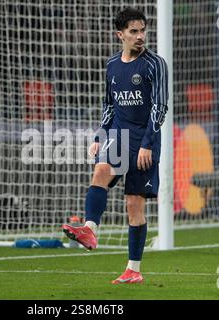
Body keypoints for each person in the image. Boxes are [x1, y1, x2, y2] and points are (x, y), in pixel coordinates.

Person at [62, 7, 169, 284]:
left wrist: (148, 144)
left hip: (145, 142)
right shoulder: (112, 65)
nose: (140, 36)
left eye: (143, 30)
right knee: (100, 172)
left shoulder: (155, 64)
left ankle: (133, 269)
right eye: (134, 31)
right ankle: (89, 228)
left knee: (133, 205)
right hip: (119, 137)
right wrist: (99, 136)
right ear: (120, 34)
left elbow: (160, 107)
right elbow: (109, 106)